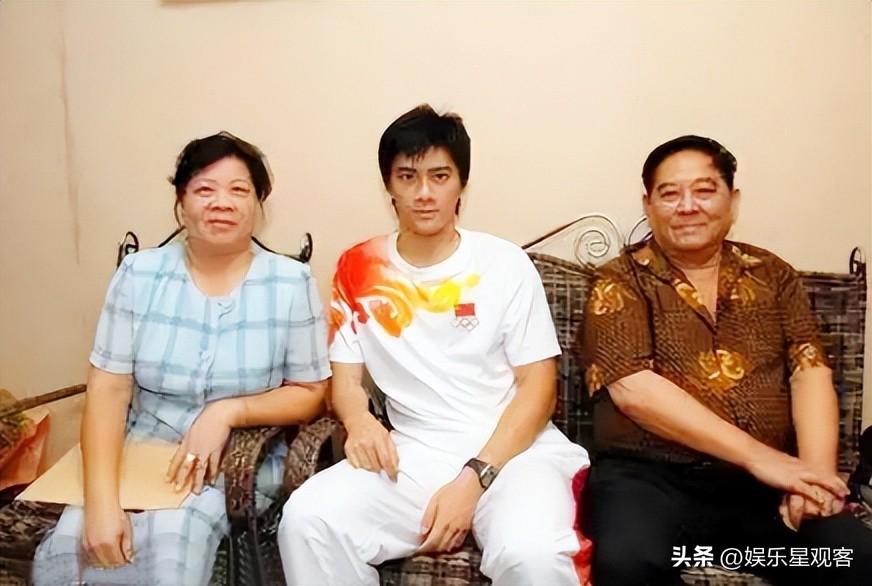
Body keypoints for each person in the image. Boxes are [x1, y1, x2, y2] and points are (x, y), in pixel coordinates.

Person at [278, 105, 591, 585]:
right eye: (408, 176)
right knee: (308, 520)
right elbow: (345, 380)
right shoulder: (358, 267)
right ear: (389, 186)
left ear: (461, 184)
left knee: (531, 555)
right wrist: (359, 421)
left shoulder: (504, 264)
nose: (424, 193)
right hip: (414, 454)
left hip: (515, 453)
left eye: (439, 176)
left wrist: (474, 478)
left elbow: (539, 389)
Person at [32, 132, 331, 585]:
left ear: (258, 204)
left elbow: (310, 392)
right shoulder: (139, 274)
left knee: (174, 543)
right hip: (138, 452)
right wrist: (102, 504)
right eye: (205, 189)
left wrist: (228, 411)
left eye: (238, 190)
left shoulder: (290, 283)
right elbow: (108, 390)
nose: (222, 203)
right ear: (181, 201)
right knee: (74, 546)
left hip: (232, 465)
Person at [578, 135, 872, 585]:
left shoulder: (772, 274)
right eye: (670, 194)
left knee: (854, 558)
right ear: (648, 205)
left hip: (761, 490)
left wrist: (813, 477)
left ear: (732, 201)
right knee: (628, 562)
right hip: (651, 482)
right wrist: (761, 458)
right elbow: (635, 390)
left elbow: (809, 368)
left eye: (704, 190)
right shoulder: (620, 280)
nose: (687, 206)